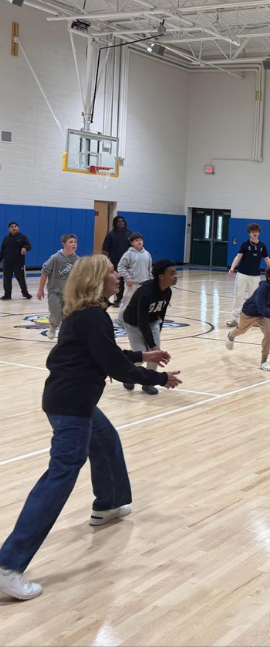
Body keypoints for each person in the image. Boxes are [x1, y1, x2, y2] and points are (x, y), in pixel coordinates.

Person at [0, 254, 181, 601]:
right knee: (61, 475)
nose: (118, 276)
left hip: (68, 400)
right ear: (97, 280)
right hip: (72, 406)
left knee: (105, 440)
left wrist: (143, 356)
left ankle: (108, 504)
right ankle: (8, 566)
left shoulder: (85, 316)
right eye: (112, 271)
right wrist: (158, 377)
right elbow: (113, 365)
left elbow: (106, 353)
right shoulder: (93, 317)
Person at [121, 259, 179, 396]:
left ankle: (148, 383)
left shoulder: (168, 292)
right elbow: (141, 321)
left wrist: (158, 333)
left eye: (176, 273)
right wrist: (151, 344)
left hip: (152, 322)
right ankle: (127, 375)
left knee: (156, 354)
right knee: (141, 355)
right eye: (172, 273)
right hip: (133, 323)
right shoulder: (146, 291)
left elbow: (161, 314)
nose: (176, 276)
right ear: (161, 276)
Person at [225, 266, 270, 370]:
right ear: (268, 277)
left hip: (262, 314)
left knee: (269, 333)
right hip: (249, 312)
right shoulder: (262, 288)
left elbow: (267, 305)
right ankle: (231, 336)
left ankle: (263, 361)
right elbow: (260, 307)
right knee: (241, 330)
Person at [227, 223, 270, 327]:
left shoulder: (262, 246)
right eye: (252, 232)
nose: (254, 233)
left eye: (256, 231)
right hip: (242, 274)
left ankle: (254, 320)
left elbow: (267, 259)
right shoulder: (245, 244)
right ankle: (235, 318)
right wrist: (232, 267)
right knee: (239, 296)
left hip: (255, 276)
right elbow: (238, 257)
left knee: (254, 298)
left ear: (259, 232)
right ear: (249, 233)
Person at [36, 234, 79, 339]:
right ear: (64, 244)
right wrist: (40, 290)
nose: (73, 244)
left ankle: (65, 333)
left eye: (75, 242)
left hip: (69, 294)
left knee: (68, 315)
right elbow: (44, 273)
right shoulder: (55, 258)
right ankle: (53, 326)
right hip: (54, 291)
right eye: (70, 242)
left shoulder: (77, 260)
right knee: (55, 314)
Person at [114, 233, 152, 329]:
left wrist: (150, 281)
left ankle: (138, 320)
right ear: (132, 243)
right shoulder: (128, 254)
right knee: (127, 302)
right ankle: (120, 321)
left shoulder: (147, 254)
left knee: (142, 304)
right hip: (132, 284)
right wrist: (127, 277)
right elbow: (121, 266)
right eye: (136, 240)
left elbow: (149, 269)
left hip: (144, 283)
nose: (139, 241)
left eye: (140, 240)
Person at [101, 215, 132, 305]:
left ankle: (128, 298)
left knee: (128, 280)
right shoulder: (111, 234)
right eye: (118, 221)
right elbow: (105, 248)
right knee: (118, 280)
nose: (121, 223)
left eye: (122, 221)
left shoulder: (129, 233)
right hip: (115, 260)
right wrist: (105, 261)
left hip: (128, 261)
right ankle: (118, 299)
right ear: (115, 223)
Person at [1, 221, 32, 300]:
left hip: (18, 262)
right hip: (7, 263)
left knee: (21, 278)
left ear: (18, 228)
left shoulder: (22, 237)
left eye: (15, 226)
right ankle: (7, 295)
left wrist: (25, 247)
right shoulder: (6, 238)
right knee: (7, 279)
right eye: (11, 227)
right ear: (9, 229)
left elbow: (29, 245)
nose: (13, 228)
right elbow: (2, 250)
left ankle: (25, 293)